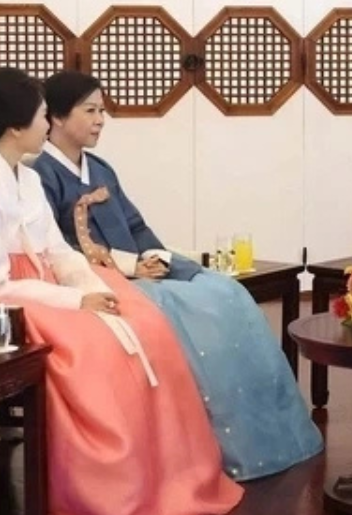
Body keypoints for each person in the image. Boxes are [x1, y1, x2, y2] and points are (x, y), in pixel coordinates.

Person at [0, 68, 242, 515]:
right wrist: (76, 301)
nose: (48, 125)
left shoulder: (26, 178)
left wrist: (89, 286)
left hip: (35, 285)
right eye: (43, 116)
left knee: (146, 322)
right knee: (91, 349)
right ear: (16, 127)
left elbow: (57, 250)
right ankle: (108, 488)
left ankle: (165, 475)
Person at [32, 70, 323, 480]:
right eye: (90, 111)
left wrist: (157, 258)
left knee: (225, 291)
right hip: (99, 278)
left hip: (138, 267)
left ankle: (271, 430)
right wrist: (131, 267)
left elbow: (136, 226)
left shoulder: (99, 169)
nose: (101, 120)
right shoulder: (39, 175)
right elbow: (57, 247)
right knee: (179, 306)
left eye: (102, 111)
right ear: (57, 117)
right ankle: (212, 443)